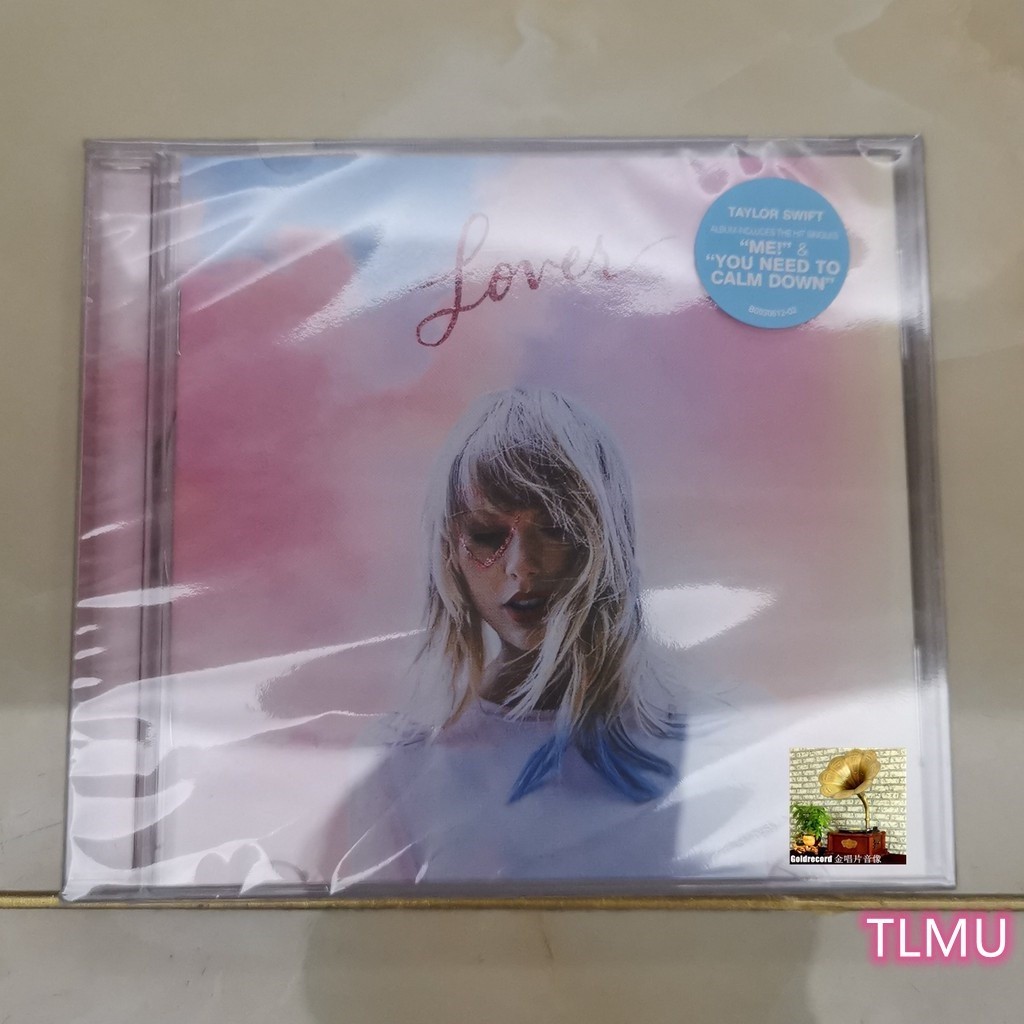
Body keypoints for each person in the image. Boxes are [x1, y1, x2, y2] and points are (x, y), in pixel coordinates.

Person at [329, 388, 698, 889]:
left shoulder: (739, 726)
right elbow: (366, 935)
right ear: (451, 551)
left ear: (607, 536)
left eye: (556, 527)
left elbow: (816, 879)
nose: (522, 566)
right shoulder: (396, 762)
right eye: (486, 535)